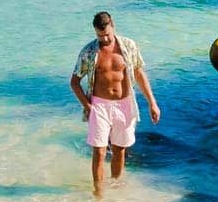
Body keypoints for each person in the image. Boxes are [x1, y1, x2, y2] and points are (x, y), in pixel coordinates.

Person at [69, 11, 161, 192]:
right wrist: (87, 106)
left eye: (107, 35)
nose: (104, 39)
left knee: (120, 149)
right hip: (100, 105)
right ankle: (98, 192)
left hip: (125, 103)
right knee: (100, 150)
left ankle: (116, 187)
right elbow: (74, 82)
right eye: (99, 35)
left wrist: (152, 102)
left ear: (113, 27)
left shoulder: (128, 46)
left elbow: (139, 74)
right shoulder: (89, 52)